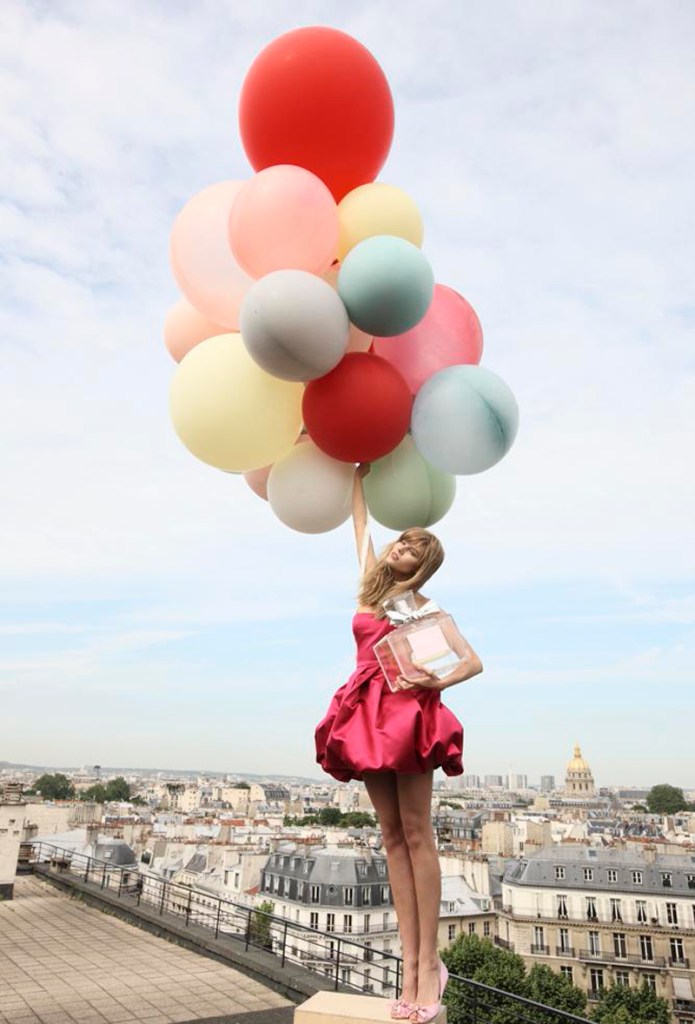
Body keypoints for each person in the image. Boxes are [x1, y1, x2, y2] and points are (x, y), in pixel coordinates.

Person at [315, 467, 483, 1023]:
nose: (401, 548)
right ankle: (406, 966)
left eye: (414, 548)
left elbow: (471, 660)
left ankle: (427, 964)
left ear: (425, 564)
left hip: (406, 711)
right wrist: (356, 471)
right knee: (390, 837)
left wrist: (435, 683)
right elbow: (359, 522)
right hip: (365, 708)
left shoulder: (426, 608)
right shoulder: (372, 587)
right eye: (402, 539)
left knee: (416, 832)